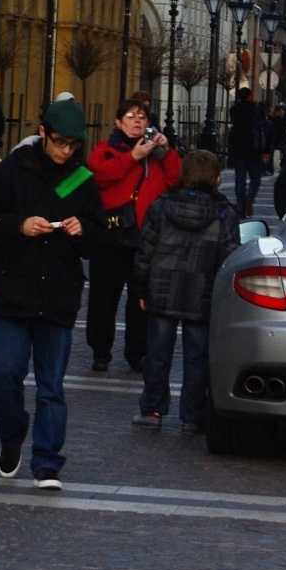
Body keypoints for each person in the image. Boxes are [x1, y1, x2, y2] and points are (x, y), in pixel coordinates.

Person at [0, 97, 107, 489]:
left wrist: (85, 232)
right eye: (60, 142)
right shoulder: (13, 171)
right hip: (12, 293)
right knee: (5, 374)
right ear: (43, 133)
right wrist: (19, 226)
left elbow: (99, 240)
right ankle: (12, 436)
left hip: (57, 295)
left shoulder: (83, 181)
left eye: (73, 145)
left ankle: (47, 463)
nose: (66, 151)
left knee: (52, 387)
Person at [131, 150, 238, 434]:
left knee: (157, 353)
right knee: (197, 356)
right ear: (216, 179)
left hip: (162, 289)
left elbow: (145, 251)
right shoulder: (224, 212)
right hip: (203, 292)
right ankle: (192, 415)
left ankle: (152, 409)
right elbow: (229, 259)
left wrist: (141, 287)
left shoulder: (162, 206)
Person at [86, 98, 182, 373]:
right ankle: (100, 351)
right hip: (111, 235)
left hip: (146, 237)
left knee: (141, 300)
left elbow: (177, 179)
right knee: (104, 297)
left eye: (142, 117)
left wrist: (165, 150)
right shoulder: (106, 149)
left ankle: (137, 353)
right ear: (118, 122)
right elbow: (100, 175)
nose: (137, 121)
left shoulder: (157, 153)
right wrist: (133, 157)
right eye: (130, 116)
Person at [228, 86, 267, 215]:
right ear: (250, 96)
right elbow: (263, 128)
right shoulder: (257, 109)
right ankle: (250, 198)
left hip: (239, 148)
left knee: (240, 180)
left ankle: (241, 206)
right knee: (255, 178)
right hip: (253, 148)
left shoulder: (234, 110)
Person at [268, 105, 286, 173]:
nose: (277, 113)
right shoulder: (273, 119)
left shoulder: (283, 120)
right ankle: (271, 169)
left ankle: (282, 166)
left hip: (281, 138)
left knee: (285, 153)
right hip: (275, 139)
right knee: (271, 154)